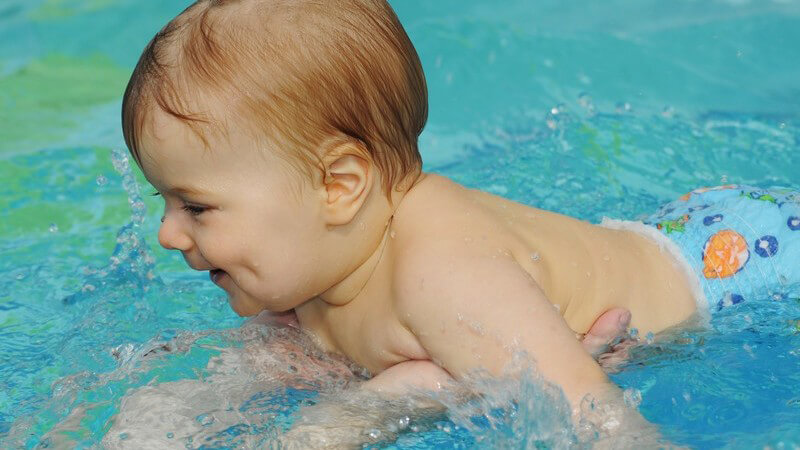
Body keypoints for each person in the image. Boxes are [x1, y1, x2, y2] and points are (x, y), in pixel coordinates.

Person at [119, 0, 799, 445]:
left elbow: (600, 420)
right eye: (165, 204)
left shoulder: (444, 277)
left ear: (338, 186)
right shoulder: (317, 271)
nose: (168, 235)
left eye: (196, 207)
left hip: (738, 268)